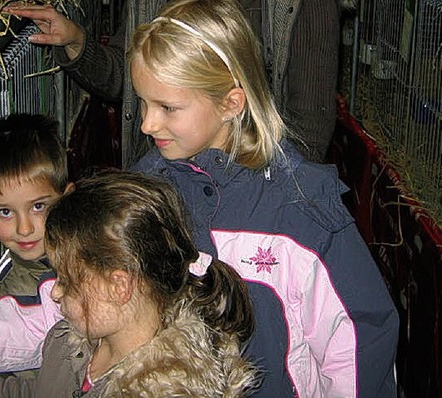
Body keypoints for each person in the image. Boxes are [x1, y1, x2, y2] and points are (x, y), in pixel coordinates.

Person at [125, 0, 399, 397]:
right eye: (143, 102)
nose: (148, 124)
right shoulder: (145, 194)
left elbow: (358, 339)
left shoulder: (300, 209)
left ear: (230, 104)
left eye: (168, 107)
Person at [0, 170, 258, 397]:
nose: (55, 292)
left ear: (118, 286)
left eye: (67, 281)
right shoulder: (68, 341)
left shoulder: (164, 390)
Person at [3, 0, 350, 165]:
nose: (146, 124)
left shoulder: (304, 7)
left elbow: (309, 130)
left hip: (252, 174)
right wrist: (78, 44)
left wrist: (260, 202)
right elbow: (134, 82)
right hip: (167, 171)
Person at [0, 113, 71, 373]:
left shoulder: (91, 246)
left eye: (39, 206)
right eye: (5, 212)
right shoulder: (4, 292)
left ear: (67, 197)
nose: (24, 229)